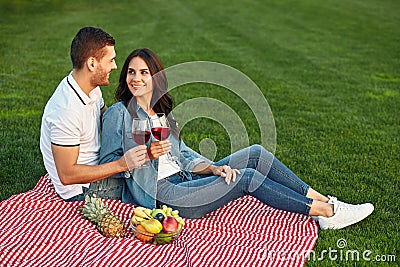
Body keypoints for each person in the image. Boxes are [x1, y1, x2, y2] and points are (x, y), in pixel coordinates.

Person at [99, 48, 374, 230]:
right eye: (131, 72)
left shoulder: (161, 113)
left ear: (155, 77)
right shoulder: (118, 114)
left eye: (144, 72)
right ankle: (324, 211)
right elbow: (109, 163)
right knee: (248, 178)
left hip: (185, 178)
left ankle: (326, 202)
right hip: (165, 194)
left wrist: (213, 168)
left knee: (255, 152)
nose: (136, 78)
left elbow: (183, 156)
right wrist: (145, 154)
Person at [40, 27, 152, 202]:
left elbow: (108, 117)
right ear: (92, 64)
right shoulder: (66, 110)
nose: (115, 66)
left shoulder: (90, 89)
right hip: (83, 189)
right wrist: (121, 164)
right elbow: (67, 175)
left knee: (154, 157)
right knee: (152, 178)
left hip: (99, 166)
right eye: (111, 60)